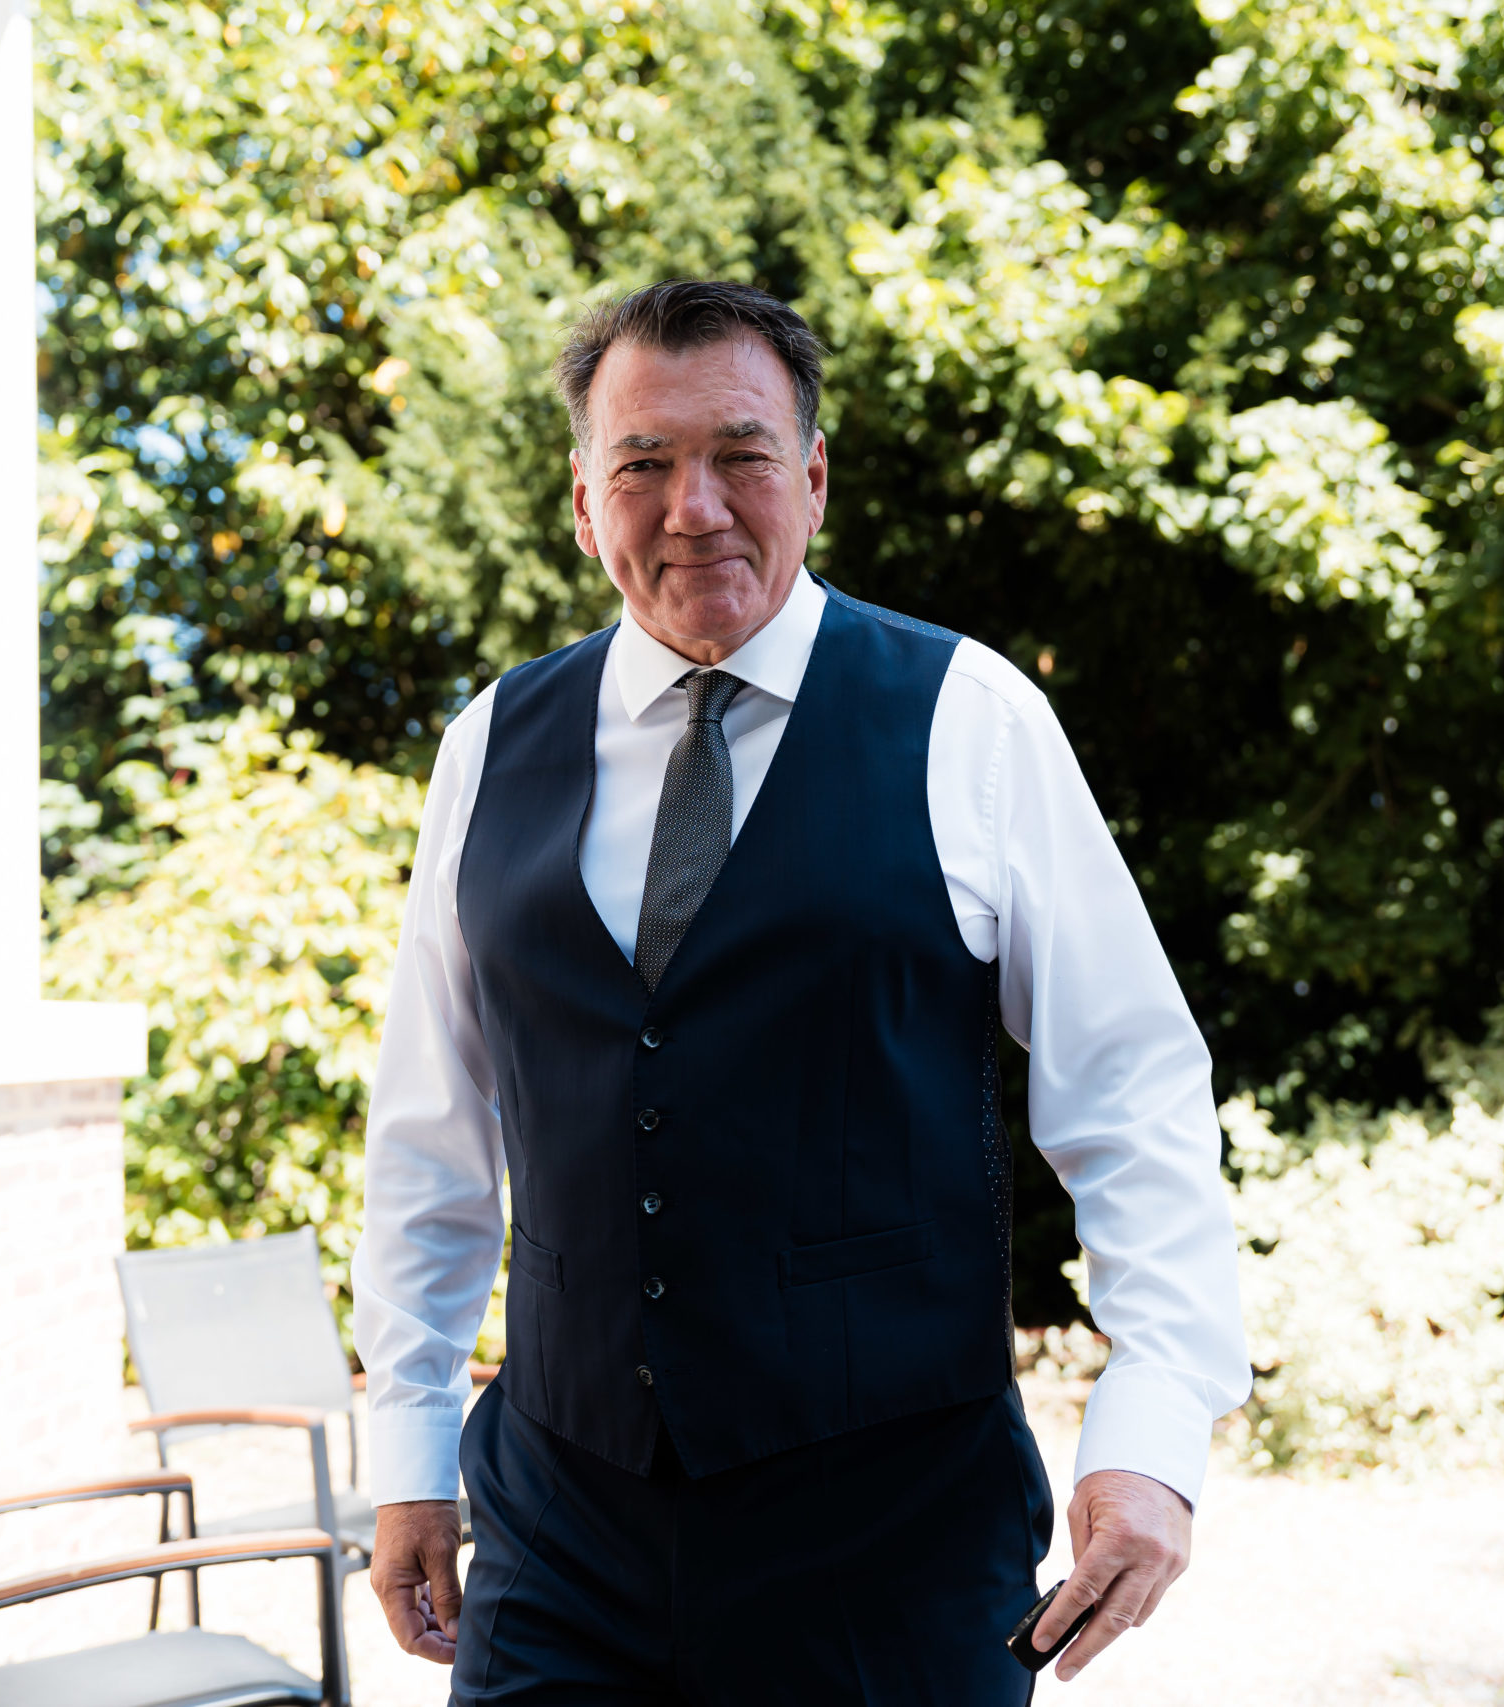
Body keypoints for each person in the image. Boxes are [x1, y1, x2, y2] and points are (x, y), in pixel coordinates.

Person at [350, 278, 1250, 1703]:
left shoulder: (970, 718)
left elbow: (1132, 1093)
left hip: (890, 1549)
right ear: (583, 502)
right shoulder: (489, 746)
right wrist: (408, 1446)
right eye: (643, 463)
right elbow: (430, 1136)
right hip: (561, 1533)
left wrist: (1151, 1431)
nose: (694, 506)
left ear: (814, 479)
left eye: (742, 455)